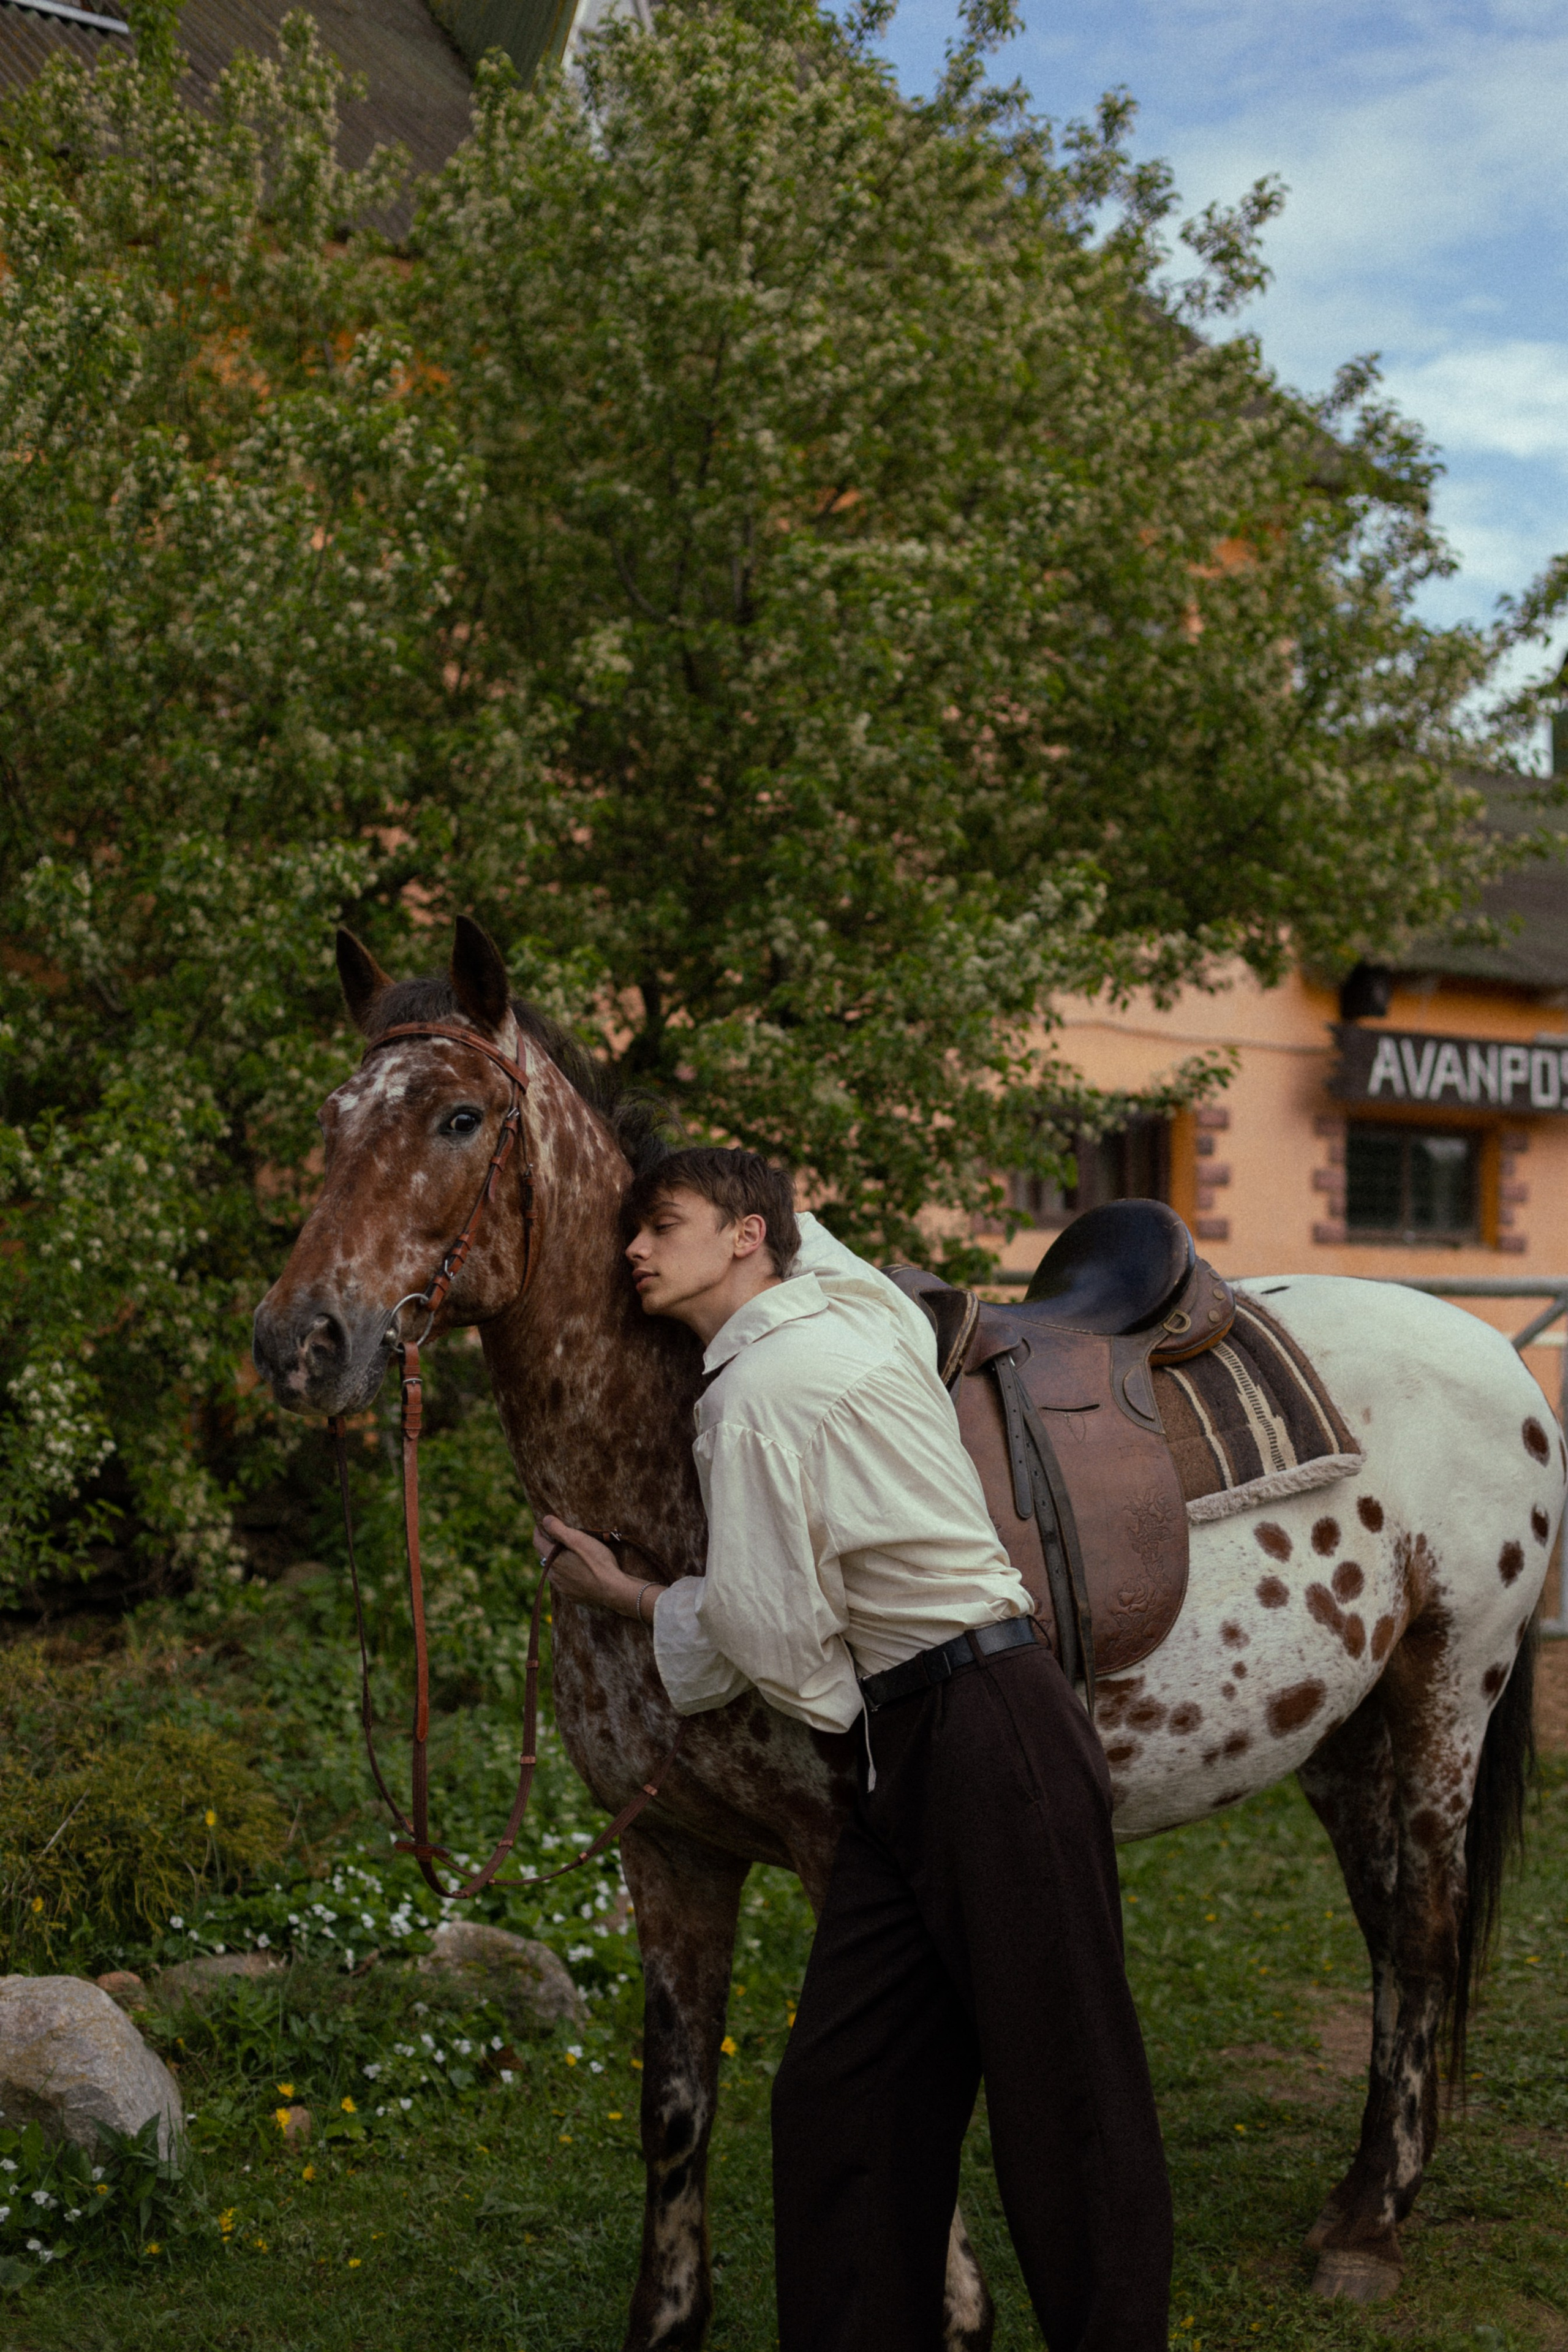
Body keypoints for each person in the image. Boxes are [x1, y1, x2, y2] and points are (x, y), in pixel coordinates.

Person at [540, 1147, 1172, 2352]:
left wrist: (627, 1597)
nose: (632, 1250)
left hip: (980, 1733)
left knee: (1068, 2093)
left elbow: (772, 1634)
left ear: (743, 1238)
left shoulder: (755, 1395)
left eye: (660, 1225)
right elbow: (813, 1247)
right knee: (847, 2098)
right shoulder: (861, 1312)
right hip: (932, 1740)